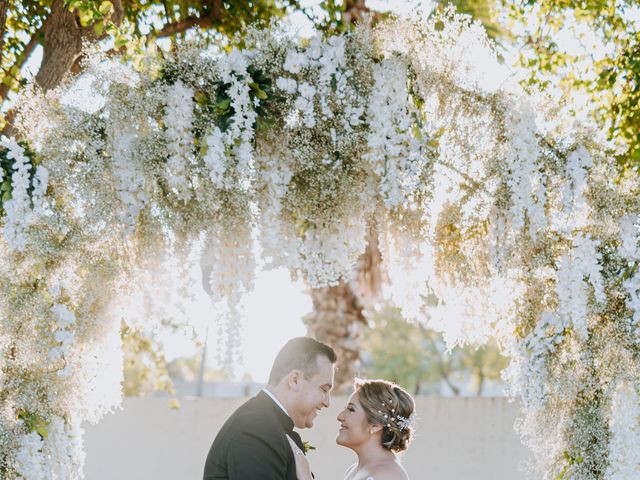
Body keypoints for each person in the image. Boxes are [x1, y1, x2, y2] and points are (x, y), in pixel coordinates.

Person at [203, 337, 337, 479]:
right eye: (324, 389)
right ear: (295, 380)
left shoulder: (265, 423)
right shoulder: (258, 429)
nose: (327, 402)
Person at [287, 379, 415, 480]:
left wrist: (306, 477)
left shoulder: (387, 476)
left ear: (375, 425)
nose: (340, 417)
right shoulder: (355, 470)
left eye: (351, 409)